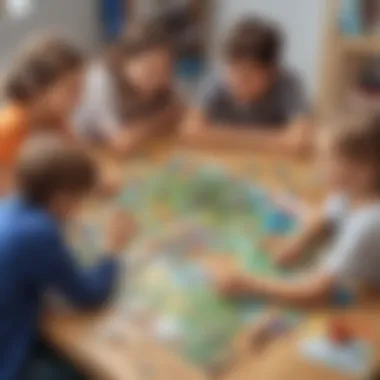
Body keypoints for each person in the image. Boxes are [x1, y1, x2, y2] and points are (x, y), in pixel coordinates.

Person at [0, 135, 135, 380]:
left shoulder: (9, 205)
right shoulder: (39, 233)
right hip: (8, 359)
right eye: (79, 198)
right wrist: (113, 250)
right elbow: (90, 295)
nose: (81, 207)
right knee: (87, 370)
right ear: (62, 198)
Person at [218, 111, 380, 304]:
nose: (316, 163)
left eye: (325, 158)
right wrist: (296, 244)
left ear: (363, 170)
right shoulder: (353, 190)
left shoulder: (367, 224)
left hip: (368, 293)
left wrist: (251, 284)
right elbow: (326, 216)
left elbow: (317, 291)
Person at [182, 17, 311, 154]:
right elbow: (190, 131)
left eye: (247, 76)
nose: (237, 81)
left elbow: (299, 141)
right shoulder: (217, 80)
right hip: (227, 161)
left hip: (271, 164)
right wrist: (274, 140)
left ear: (272, 72)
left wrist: (218, 136)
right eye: (232, 71)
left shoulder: (288, 84)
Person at [75, 21, 184, 156]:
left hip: (137, 152)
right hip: (87, 152)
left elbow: (186, 116)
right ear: (125, 61)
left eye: (166, 69)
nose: (159, 78)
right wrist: (163, 118)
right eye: (150, 69)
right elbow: (122, 142)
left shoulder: (163, 77)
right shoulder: (101, 80)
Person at [0, 37, 85, 194]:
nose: (80, 98)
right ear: (39, 89)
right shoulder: (7, 129)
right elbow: (12, 199)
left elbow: (81, 163)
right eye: (72, 89)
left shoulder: (54, 118)